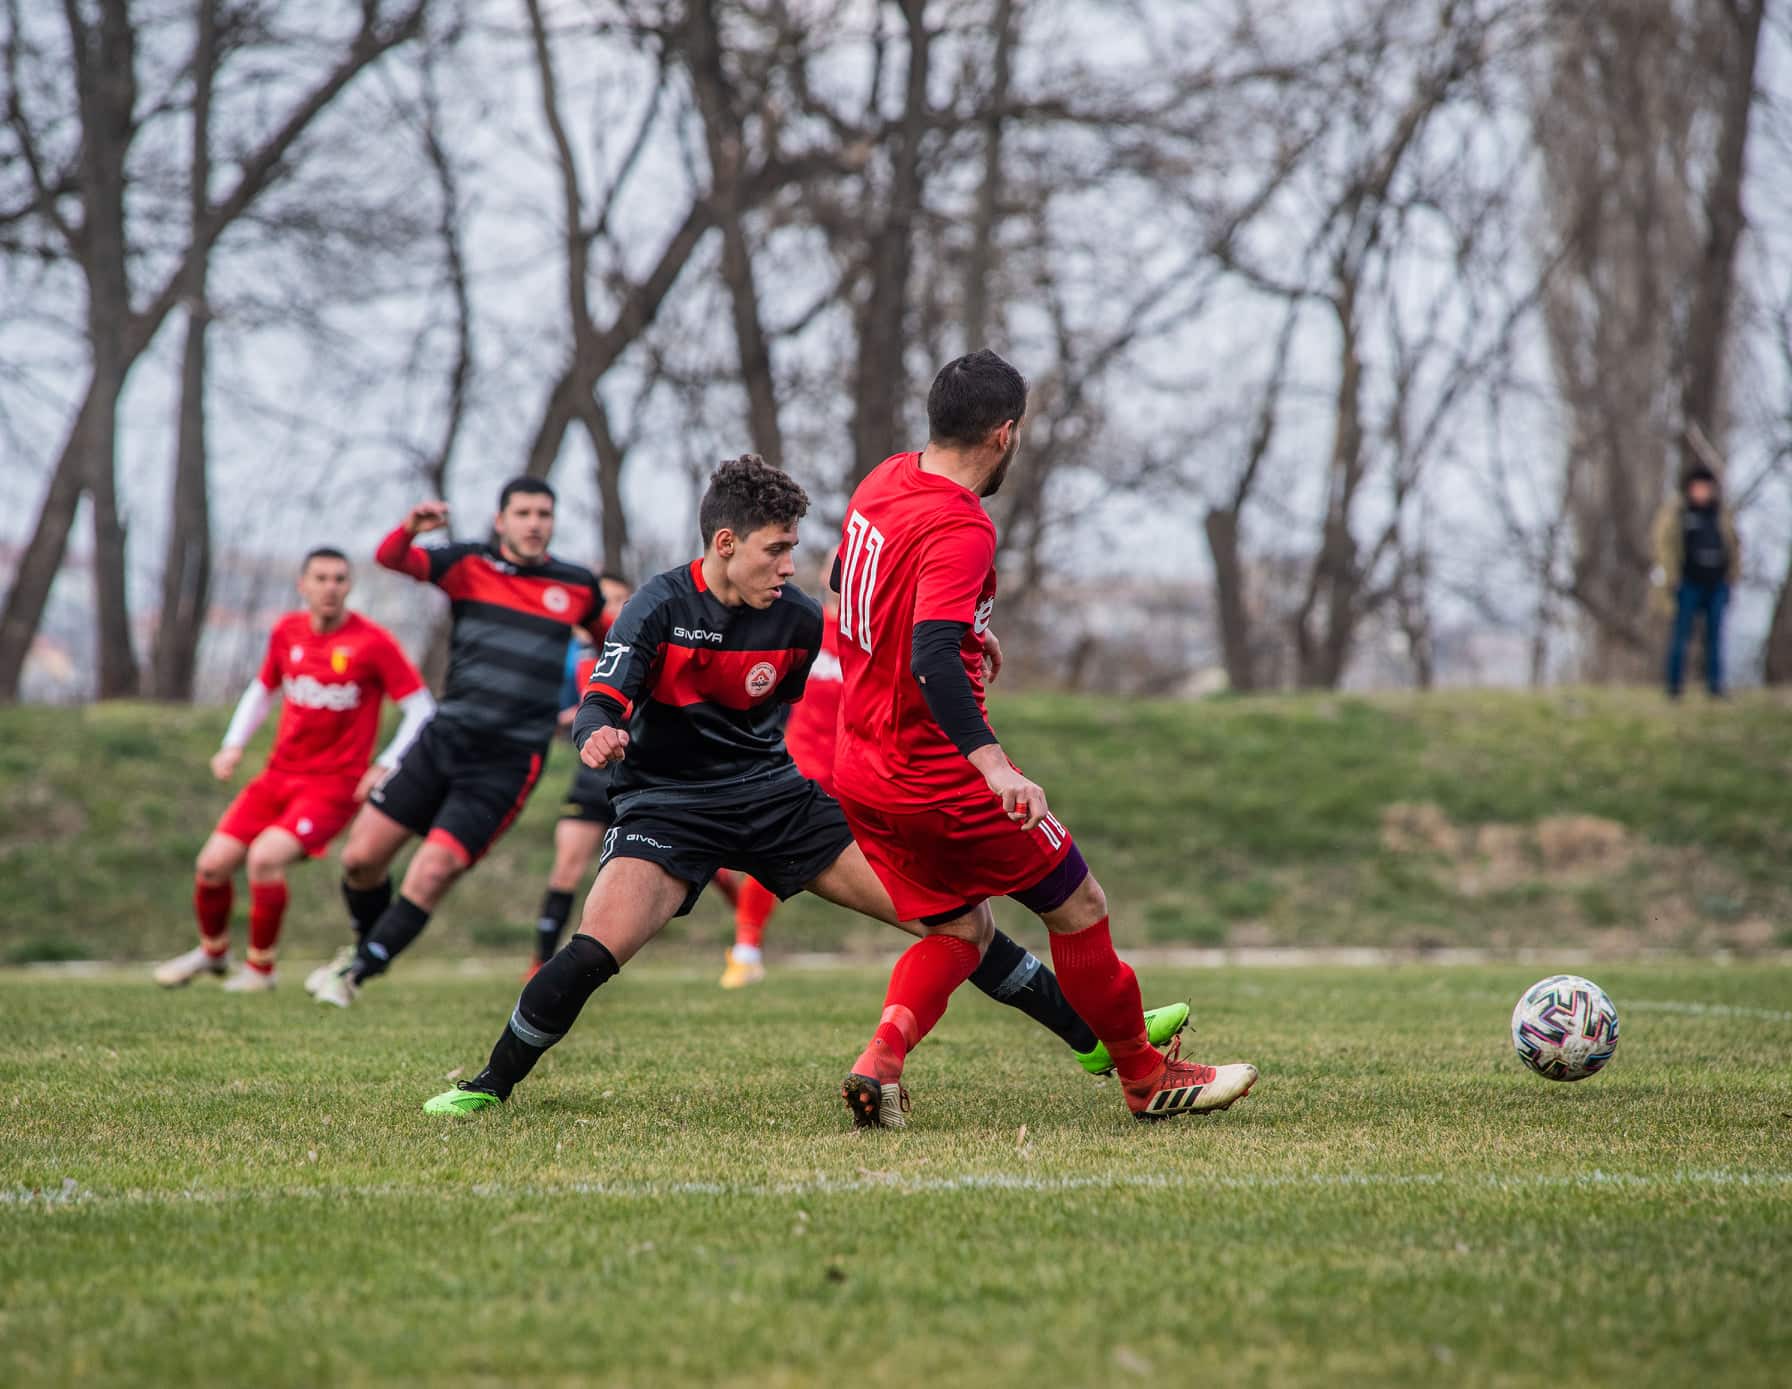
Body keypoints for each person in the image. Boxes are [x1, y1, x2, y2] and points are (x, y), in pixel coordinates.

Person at [421, 456, 1186, 1117]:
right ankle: (489, 1084)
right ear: (726, 545)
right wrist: (598, 730)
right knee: (595, 950)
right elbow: (605, 689)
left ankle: (1094, 1044)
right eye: (775, 549)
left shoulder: (793, 616)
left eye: (793, 548)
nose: (789, 565)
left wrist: (968, 640)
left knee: (954, 920)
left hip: (777, 800)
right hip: (668, 810)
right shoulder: (657, 605)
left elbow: (883, 645)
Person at [833, 350, 1258, 1127]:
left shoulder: (884, 481)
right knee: (1079, 905)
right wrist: (993, 764)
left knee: (962, 928)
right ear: (1004, 435)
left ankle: (880, 1059)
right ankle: (1144, 1074)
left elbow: (849, 586)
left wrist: (963, 635)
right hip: (939, 776)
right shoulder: (962, 524)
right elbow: (928, 655)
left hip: (861, 769)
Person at [307, 478, 608, 1006]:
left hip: (509, 760)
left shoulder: (578, 585)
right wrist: (410, 529)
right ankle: (367, 947)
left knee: (434, 869)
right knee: (359, 859)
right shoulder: (469, 565)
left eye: (544, 513)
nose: (535, 522)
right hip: (444, 740)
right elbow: (390, 558)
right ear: (501, 520)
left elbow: (614, 641)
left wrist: (606, 699)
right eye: (523, 513)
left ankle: (354, 974)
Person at [154, 548, 434, 991]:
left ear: (349, 587)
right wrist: (231, 746)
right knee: (211, 866)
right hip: (277, 776)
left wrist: (385, 764)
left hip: (333, 787)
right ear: (302, 585)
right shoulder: (287, 631)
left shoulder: (372, 642)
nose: (330, 587)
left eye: (339, 579)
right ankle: (213, 953)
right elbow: (263, 690)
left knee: (265, 858)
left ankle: (261, 971)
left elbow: (421, 709)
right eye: (320, 578)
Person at [718, 546, 842, 990]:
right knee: (771, 852)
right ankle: (746, 949)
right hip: (803, 764)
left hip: (860, 770)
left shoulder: (874, 637)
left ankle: (944, 936)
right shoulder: (806, 627)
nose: (842, 570)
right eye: (834, 563)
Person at [530, 574, 633, 979]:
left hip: (639, 776)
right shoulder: (571, 656)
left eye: (621, 599)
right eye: (605, 601)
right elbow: (556, 711)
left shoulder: (649, 650)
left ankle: (744, 939)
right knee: (566, 868)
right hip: (591, 777)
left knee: (698, 867)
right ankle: (538, 963)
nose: (613, 609)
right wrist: (570, 719)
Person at [1652, 464, 1740, 698]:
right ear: (1690, 489)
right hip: (1687, 583)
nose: (1702, 492)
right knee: (1680, 636)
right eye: (1697, 488)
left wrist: (1732, 577)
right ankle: (1674, 688)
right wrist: (1671, 578)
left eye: (1706, 488)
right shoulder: (1679, 514)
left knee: (1715, 638)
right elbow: (1664, 545)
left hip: (1716, 583)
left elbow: (1734, 545)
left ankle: (1715, 688)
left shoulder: (1720, 514)